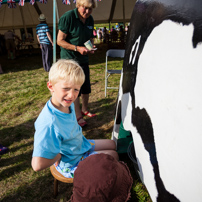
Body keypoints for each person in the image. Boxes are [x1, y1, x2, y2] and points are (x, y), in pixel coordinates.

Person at [31, 59, 118, 179]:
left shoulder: (66, 103)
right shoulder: (49, 123)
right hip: (71, 161)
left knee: (112, 144)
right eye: (66, 88)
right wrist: (59, 155)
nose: (72, 95)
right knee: (113, 156)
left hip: (79, 145)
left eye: (76, 89)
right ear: (51, 86)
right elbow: (37, 165)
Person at [57, 0, 97, 127]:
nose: (87, 12)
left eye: (90, 9)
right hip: (70, 60)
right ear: (78, 6)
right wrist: (77, 48)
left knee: (86, 87)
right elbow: (60, 41)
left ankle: (85, 110)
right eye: (84, 8)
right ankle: (77, 115)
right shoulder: (68, 17)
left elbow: (90, 37)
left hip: (83, 59)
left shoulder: (90, 19)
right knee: (75, 89)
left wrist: (91, 46)